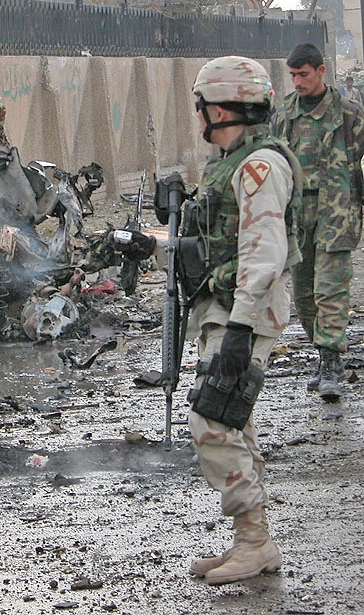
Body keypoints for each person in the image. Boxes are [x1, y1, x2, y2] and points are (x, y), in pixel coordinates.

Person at [183, 56, 300, 585]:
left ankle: (254, 540)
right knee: (234, 420)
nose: (200, 115)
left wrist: (240, 326)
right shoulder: (231, 161)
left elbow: (265, 251)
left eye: (203, 106)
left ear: (223, 106)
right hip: (226, 306)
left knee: (212, 418)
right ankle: (252, 540)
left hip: (246, 312)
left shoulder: (259, 166)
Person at [272, 43, 364, 402]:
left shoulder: (348, 115)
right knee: (305, 296)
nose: (297, 81)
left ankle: (330, 365)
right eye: (293, 75)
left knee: (331, 291)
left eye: (303, 74)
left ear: (321, 71)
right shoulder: (284, 115)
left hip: (336, 214)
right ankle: (322, 354)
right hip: (297, 217)